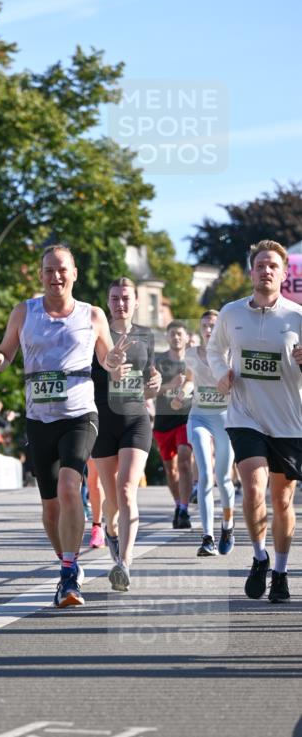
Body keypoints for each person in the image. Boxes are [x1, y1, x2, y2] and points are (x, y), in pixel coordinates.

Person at [0, 244, 123, 608]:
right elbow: (7, 354)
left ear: (74, 273)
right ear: (41, 274)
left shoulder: (92, 315)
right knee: (50, 507)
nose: (55, 276)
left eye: (62, 270)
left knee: (70, 485)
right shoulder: (24, 312)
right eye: (49, 270)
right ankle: (66, 559)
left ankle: (69, 573)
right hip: (39, 417)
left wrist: (116, 362)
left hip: (79, 413)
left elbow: (107, 360)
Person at [207, 239, 302, 602]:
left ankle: (280, 570)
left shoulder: (297, 317)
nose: (266, 271)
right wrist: (220, 373)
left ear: (284, 273)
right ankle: (259, 556)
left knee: (281, 500)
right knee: (253, 484)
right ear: (252, 271)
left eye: (273, 266)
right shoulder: (231, 313)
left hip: (289, 421)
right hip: (245, 415)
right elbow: (216, 350)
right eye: (260, 265)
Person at [90, 277, 161, 590]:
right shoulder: (95, 332)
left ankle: (125, 562)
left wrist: (155, 381)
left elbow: (149, 372)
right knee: (112, 499)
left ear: (135, 302)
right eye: (115, 298)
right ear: (108, 302)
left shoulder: (146, 335)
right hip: (103, 421)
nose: (120, 303)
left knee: (127, 488)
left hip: (135, 419)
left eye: (126, 298)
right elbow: (87, 372)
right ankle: (111, 530)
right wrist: (109, 364)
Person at [179, 311, 235, 557]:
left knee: (223, 478)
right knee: (204, 474)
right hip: (199, 416)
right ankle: (207, 537)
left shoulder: (232, 354)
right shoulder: (191, 354)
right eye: (205, 326)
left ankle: (227, 525)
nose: (209, 330)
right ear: (200, 329)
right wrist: (183, 392)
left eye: (213, 326)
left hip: (225, 419)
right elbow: (191, 379)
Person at [153, 320, 193, 529]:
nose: (176, 337)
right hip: (163, 421)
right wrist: (170, 385)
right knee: (171, 470)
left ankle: (185, 509)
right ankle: (178, 504)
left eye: (179, 333)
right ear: (167, 337)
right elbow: (148, 391)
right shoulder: (158, 362)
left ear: (187, 337)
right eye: (172, 334)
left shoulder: (194, 361)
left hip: (187, 418)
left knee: (185, 461)